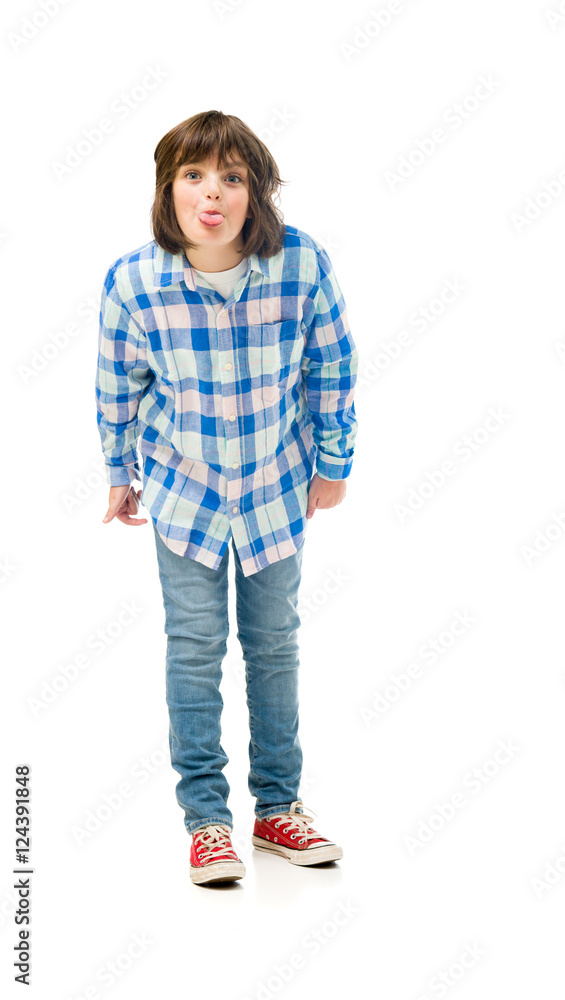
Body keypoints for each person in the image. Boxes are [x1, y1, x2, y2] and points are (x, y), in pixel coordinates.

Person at [95, 110, 359, 886]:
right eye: (194, 175)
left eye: (232, 177)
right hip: (185, 494)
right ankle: (206, 822)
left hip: (276, 486)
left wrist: (334, 461)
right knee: (193, 646)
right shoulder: (134, 281)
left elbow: (331, 363)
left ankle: (277, 808)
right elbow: (118, 384)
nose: (211, 193)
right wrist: (118, 472)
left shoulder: (300, 263)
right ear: (167, 189)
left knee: (274, 643)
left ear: (257, 193)